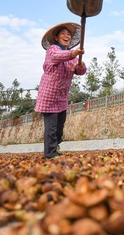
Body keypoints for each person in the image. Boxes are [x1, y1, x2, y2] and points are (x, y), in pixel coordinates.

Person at [35, 22, 86, 159]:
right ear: (56, 38)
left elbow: (80, 71)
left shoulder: (72, 57)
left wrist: (80, 63)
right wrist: (73, 53)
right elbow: (56, 57)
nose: (66, 36)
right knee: (51, 127)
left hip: (62, 96)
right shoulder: (52, 49)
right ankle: (50, 154)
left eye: (68, 34)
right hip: (49, 95)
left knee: (59, 127)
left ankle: (55, 145)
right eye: (63, 33)